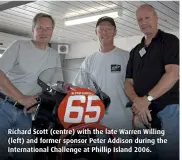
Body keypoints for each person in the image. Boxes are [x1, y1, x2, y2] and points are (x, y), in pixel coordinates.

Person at [0, 13, 62, 160]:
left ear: (52, 31)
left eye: (48, 28)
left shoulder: (54, 55)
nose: (43, 32)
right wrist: (21, 98)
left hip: (26, 113)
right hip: (3, 106)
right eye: (40, 28)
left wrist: (39, 101)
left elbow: (56, 87)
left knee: (25, 155)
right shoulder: (19, 46)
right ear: (32, 29)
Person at [73, 16, 133, 160]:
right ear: (96, 33)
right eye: (101, 30)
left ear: (115, 32)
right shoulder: (89, 60)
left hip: (123, 119)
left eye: (108, 29)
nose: (104, 33)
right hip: (98, 120)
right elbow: (79, 88)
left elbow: (136, 86)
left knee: (124, 156)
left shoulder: (127, 57)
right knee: (102, 156)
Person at [125, 4, 179, 160]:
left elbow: (173, 74)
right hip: (143, 114)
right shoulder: (135, 50)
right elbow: (128, 82)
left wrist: (146, 99)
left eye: (147, 17)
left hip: (167, 111)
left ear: (156, 18)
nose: (143, 22)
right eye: (139, 19)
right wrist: (138, 102)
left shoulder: (169, 41)